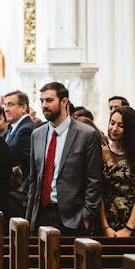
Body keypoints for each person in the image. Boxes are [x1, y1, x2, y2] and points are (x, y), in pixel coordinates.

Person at [26, 82, 102, 234]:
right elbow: (34, 179)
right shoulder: (37, 134)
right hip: (41, 214)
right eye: (41, 101)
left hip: (72, 218)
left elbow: (94, 180)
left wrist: (86, 218)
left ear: (64, 102)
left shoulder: (86, 134)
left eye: (49, 100)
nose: (44, 105)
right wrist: (29, 217)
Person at [99, 107, 135, 237]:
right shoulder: (101, 153)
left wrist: (128, 228)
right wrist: (105, 226)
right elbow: (97, 191)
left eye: (120, 125)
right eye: (112, 123)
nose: (114, 128)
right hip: (107, 222)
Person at [2, 90, 36, 182]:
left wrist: (23, 191)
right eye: (5, 105)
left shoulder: (25, 130)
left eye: (10, 104)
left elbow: (32, 167)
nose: (6, 109)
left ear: (24, 108)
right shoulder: (13, 128)